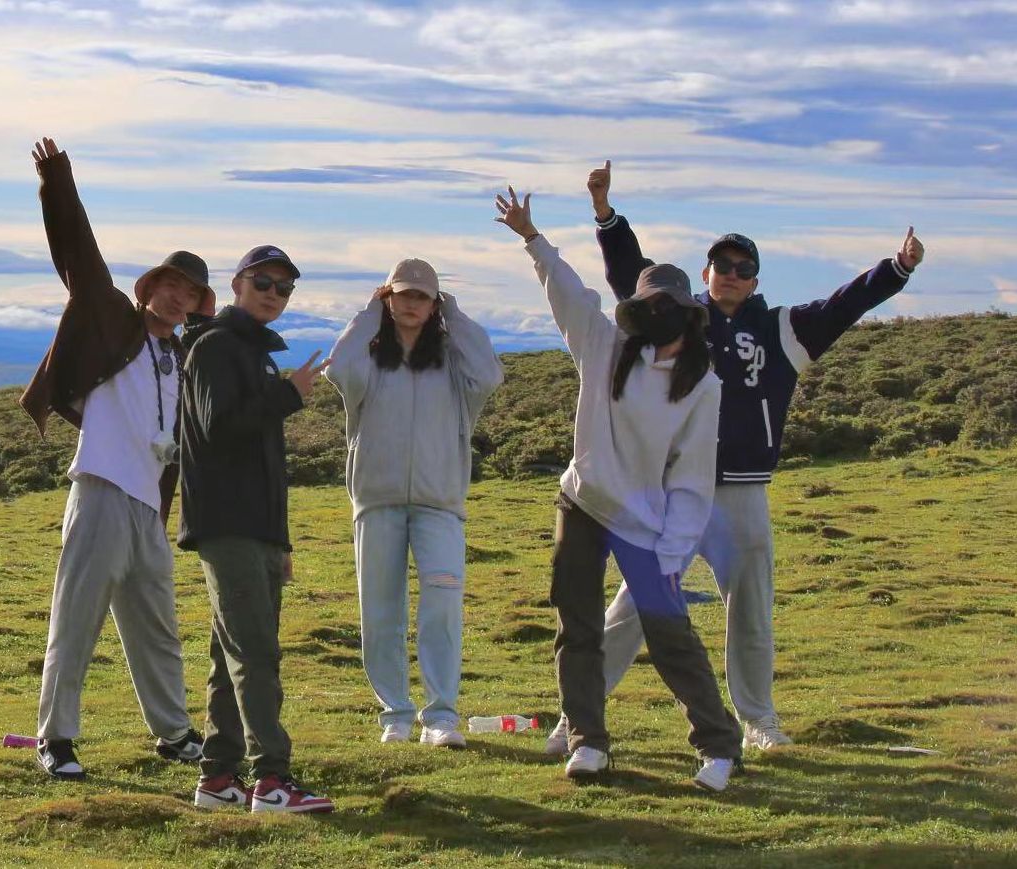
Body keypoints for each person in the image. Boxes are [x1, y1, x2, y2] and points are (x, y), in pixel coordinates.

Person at [541, 161, 927, 755]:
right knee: (636, 606)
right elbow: (630, 277)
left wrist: (896, 269)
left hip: (742, 492)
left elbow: (844, 305)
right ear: (706, 272)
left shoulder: (783, 330)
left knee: (750, 611)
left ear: (754, 280)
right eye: (722, 265)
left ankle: (759, 720)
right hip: (668, 493)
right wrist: (605, 212)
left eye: (743, 269)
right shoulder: (677, 321)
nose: (731, 275)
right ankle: (579, 719)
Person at [496, 185, 744, 791]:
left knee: (668, 631)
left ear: (690, 312)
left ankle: (719, 747)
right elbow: (572, 296)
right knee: (575, 624)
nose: (657, 321)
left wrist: (671, 548)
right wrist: (533, 239)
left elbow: (690, 477)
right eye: (648, 308)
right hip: (581, 503)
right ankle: (587, 742)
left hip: (647, 521)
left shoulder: (701, 385)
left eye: (669, 310)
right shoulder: (607, 347)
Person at [19, 137, 211, 780]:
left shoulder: (183, 358)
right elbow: (78, 253)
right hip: (101, 488)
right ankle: (57, 737)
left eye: (190, 293)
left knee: (156, 626)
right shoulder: (112, 320)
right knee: (76, 619)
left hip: (147, 505)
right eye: (171, 285)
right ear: (150, 287)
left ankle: (174, 733)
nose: (178, 298)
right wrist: (56, 179)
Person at [177, 245, 335, 813]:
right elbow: (220, 430)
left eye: (284, 287)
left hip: (256, 529)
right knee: (256, 653)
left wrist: (281, 541)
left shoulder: (253, 352)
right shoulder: (218, 347)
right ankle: (273, 780)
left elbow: (264, 460)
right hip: (228, 524)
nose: (274, 294)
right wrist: (288, 395)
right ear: (238, 284)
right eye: (264, 282)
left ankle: (218, 778)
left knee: (231, 653)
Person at [324, 258, 504, 749]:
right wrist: (367, 311)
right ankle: (396, 715)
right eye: (402, 294)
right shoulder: (369, 355)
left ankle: (441, 716)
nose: (411, 304)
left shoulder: (452, 361)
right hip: (376, 502)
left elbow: (489, 375)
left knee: (441, 609)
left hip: (440, 504)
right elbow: (338, 370)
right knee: (380, 612)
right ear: (388, 298)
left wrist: (456, 315)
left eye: (423, 296)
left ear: (435, 303)